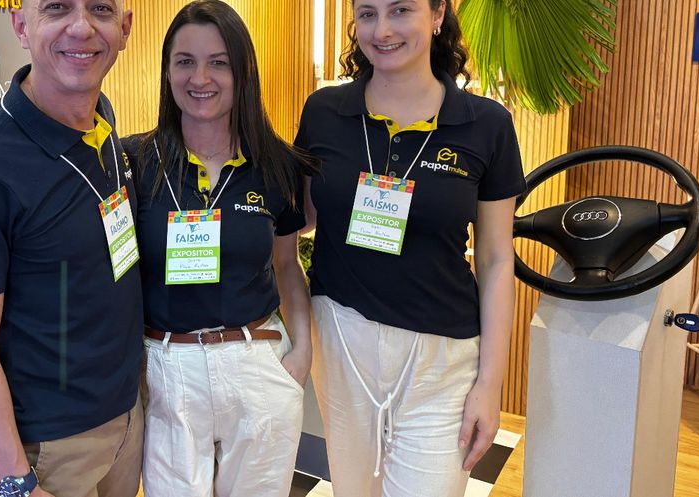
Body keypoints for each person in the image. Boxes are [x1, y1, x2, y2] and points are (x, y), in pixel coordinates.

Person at [294, 0, 525, 496]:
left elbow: (495, 259)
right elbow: (302, 218)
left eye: (400, 10)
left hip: (441, 359)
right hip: (343, 343)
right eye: (367, 13)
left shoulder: (486, 124)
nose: (382, 30)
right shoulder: (324, 112)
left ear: (438, 14)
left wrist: (490, 383)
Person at [0, 2, 143, 497]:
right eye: (57, 8)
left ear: (125, 27)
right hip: (51, 448)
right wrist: (16, 482)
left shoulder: (102, 123)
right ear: (21, 25)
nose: (81, 27)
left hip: (127, 416)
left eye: (101, 9)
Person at [122, 2, 314, 496]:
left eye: (219, 62)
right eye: (185, 61)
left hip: (257, 362)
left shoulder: (276, 165)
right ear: (167, 71)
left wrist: (302, 353)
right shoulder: (136, 162)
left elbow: (287, 264)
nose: (200, 77)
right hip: (168, 368)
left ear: (242, 71)